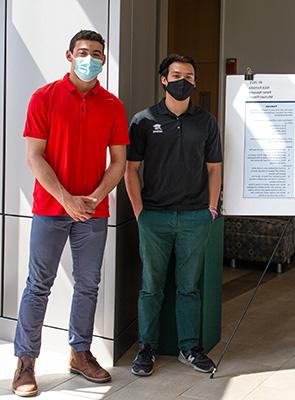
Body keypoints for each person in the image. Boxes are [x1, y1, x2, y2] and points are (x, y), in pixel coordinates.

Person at [12, 30, 129, 397]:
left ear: (103, 60)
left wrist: (92, 198)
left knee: (88, 285)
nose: (89, 58)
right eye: (83, 52)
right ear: (69, 55)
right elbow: (34, 156)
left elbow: (120, 161)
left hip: (93, 212)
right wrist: (66, 199)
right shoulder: (44, 97)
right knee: (38, 286)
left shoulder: (112, 105)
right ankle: (26, 363)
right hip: (51, 208)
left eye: (96, 53)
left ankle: (80, 354)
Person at [125, 54, 223, 377]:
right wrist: (140, 213)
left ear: (195, 82)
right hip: (154, 217)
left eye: (190, 76)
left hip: (195, 217)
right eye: (177, 74)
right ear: (164, 79)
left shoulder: (206, 122)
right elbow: (131, 170)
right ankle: (146, 348)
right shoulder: (143, 120)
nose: (184, 80)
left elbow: (214, 169)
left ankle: (189, 348)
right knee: (151, 286)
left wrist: (210, 208)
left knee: (189, 287)